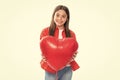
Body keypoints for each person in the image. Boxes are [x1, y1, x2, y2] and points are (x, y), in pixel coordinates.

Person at [40, 5, 80, 80]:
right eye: (57, 15)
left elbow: (74, 51)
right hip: (49, 69)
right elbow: (43, 50)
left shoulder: (71, 34)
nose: (59, 18)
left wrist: (73, 56)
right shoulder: (45, 32)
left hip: (67, 69)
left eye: (63, 16)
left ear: (67, 19)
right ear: (53, 15)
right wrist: (43, 56)